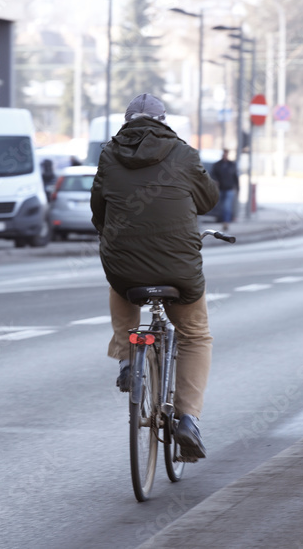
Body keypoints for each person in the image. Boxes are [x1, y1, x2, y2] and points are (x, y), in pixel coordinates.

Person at [91, 93, 219, 459]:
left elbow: (98, 211)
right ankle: (189, 420)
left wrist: (113, 233)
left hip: (125, 266)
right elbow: (208, 200)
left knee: (120, 281)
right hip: (179, 269)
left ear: (126, 121)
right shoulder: (184, 153)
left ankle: (128, 360)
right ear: (163, 121)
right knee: (196, 335)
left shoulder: (108, 154)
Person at [209, 149, 239, 229]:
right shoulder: (217, 165)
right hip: (220, 188)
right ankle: (221, 219)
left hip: (229, 189)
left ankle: (226, 222)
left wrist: (237, 188)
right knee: (219, 206)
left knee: (227, 206)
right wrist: (216, 181)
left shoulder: (231, 165)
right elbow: (212, 175)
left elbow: (235, 177)